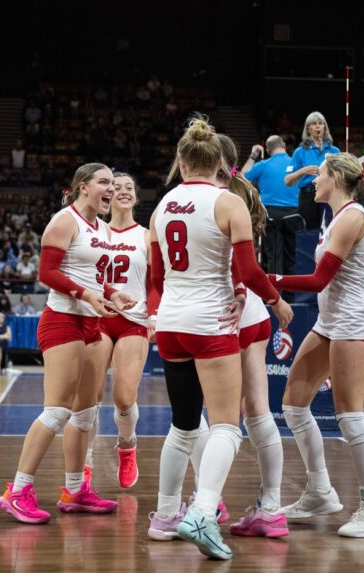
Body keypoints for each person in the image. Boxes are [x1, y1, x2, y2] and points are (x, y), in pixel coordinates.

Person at [146, 118, 291, 560]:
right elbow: (247, 270)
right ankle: (203, 513)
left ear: (182, 161)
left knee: (183, 425)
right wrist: (275, 299)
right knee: (227, 425)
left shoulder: (162, 205)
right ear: (220, 166)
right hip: (210, 324)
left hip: (170, 322)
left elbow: (156, 276)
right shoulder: (229, 203)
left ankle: (165, 515)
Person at [268, 152, 364, 538]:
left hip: (352, 324)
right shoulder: (334, 217)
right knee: (294, 406)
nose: (314, 182)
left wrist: (268, 279)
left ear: (336, 180)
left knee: (349, 415)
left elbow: (317, 280)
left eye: (321, 175)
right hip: (330, 322)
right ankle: (319, 492)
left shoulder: (351, 217)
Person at [0, 163, 134, 526]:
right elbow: (47, 274)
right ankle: (18, 491)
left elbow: (91, 276)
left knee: (85, 414)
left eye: (113, 182)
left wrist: (112, 293)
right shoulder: (64, 220)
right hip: (62, 321)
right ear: (83, 187)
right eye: (104, 182)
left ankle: (75, 489)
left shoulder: (101, 227)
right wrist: (87, 293)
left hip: (92, 322)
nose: (111, 188)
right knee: (57, 411)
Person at [218, 135, 288, 538]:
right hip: (252, 315)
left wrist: (271, 297)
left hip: (231, 313)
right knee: (256, 411)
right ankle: (271, 506)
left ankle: (208, 501)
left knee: (219, 415)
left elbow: (243, 270)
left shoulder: (220, 200)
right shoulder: (241, 193)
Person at [81, 172, 149, 490]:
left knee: (123, 398)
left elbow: (159, 282)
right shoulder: (95, 232)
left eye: (128, 187)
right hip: (98, 316)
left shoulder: (148, 236)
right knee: (90, 398)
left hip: (134, 319)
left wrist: (157, 315)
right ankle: (86, 465)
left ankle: (127, 446)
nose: (122, 191)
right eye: (115, 187)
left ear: (135, 196)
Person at [241, 135, 298, 275]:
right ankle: (290, 293)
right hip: (294, 213)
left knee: (273, 256)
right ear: (284, 145)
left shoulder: (264, 165)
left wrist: (253, 155)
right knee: (291, 256)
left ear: (267, 150)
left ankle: (274, 294)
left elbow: (241, 177)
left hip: (270, 214)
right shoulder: (296, 164)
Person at [283, 111, 340, 230]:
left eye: (320, 123)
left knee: (330, 229)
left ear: (325, 127)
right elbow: (287, 181)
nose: (318, 126)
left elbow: (342, 174)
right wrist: (303, 171)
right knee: (308, 233)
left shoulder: (334, 151)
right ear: (308, 129)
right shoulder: (300, 151)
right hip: (308, 196)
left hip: (329, 195)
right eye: (314, 123)